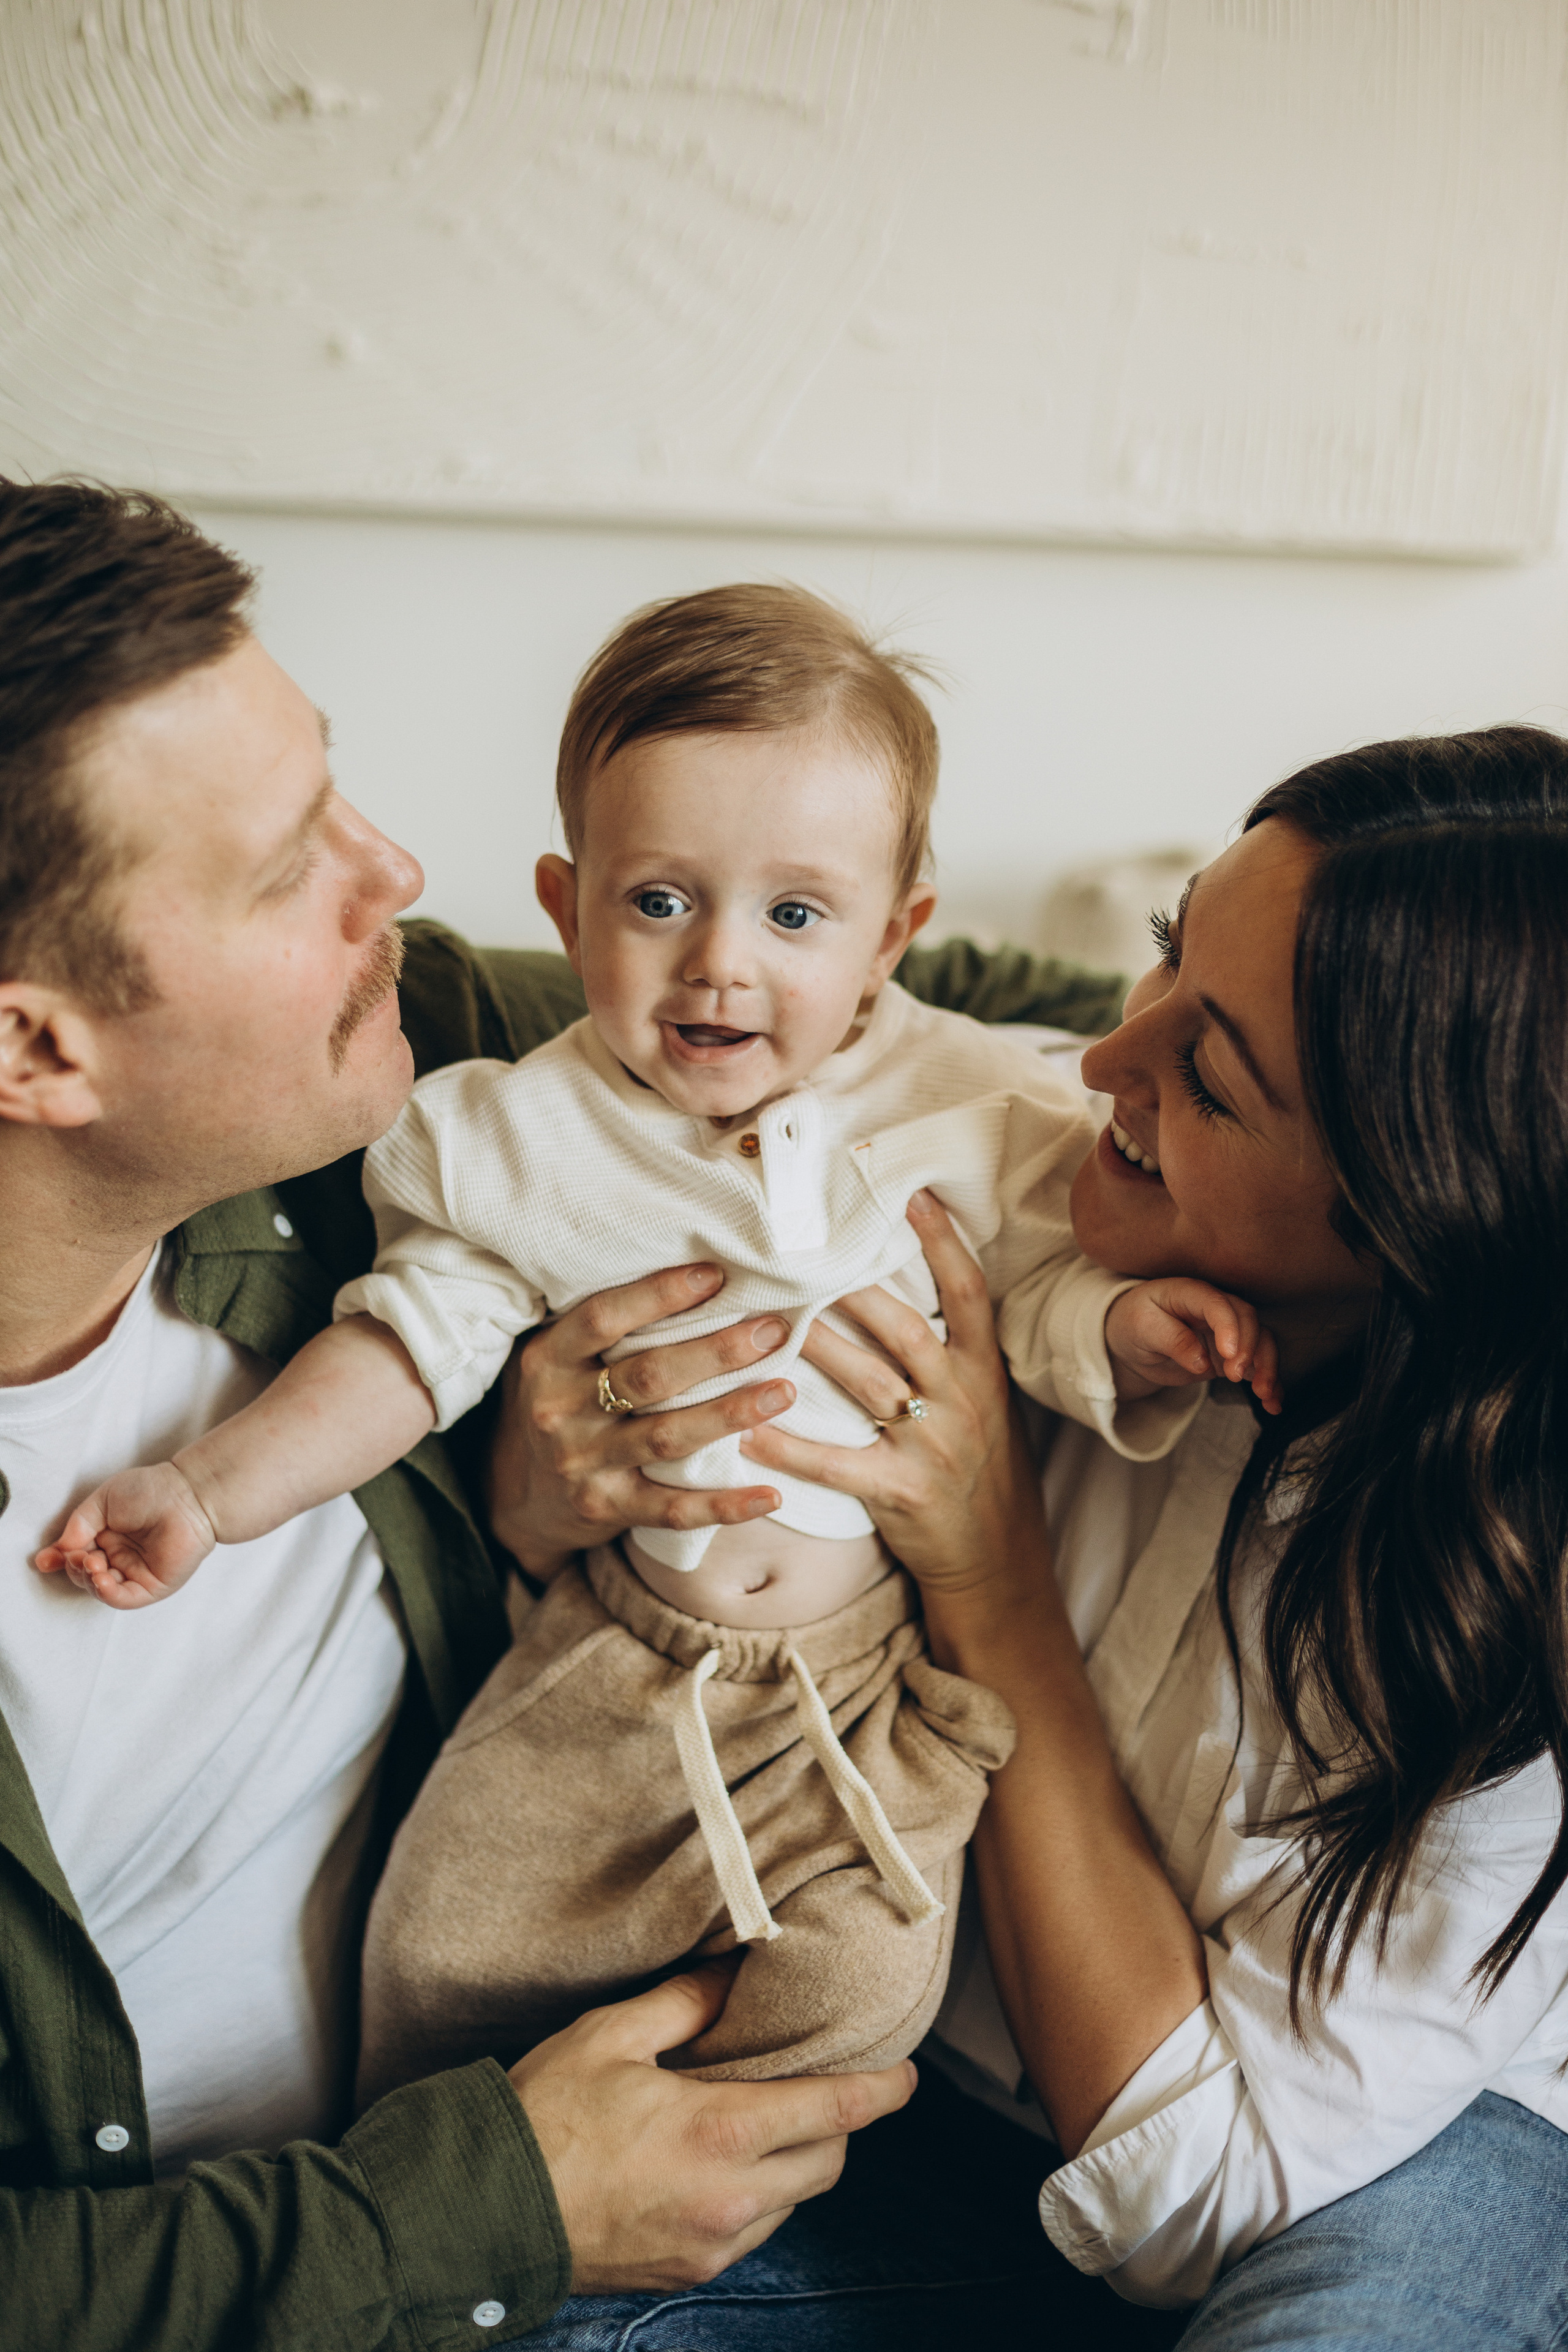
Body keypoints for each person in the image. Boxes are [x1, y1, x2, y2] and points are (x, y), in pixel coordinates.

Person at [0, 481, 1126, 2351]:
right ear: (36, 1044)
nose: (395, 872)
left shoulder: (397, 1024)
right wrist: (484, 2210)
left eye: (339, 786)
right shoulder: (465, 1119)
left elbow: (966, 1000)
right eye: (286, 867)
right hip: (389, 2247)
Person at [484, 726, 1568, 2348]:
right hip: (922, 2094)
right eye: (1168, 954)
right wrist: (536, 1478)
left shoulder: (1507, 1604)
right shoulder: (977, 1164)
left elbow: (1206, 2192)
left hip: (1362, 2153)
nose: (1106, 1060)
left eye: (1212, 1080)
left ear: (1417, 1208)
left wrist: (987, 1576)